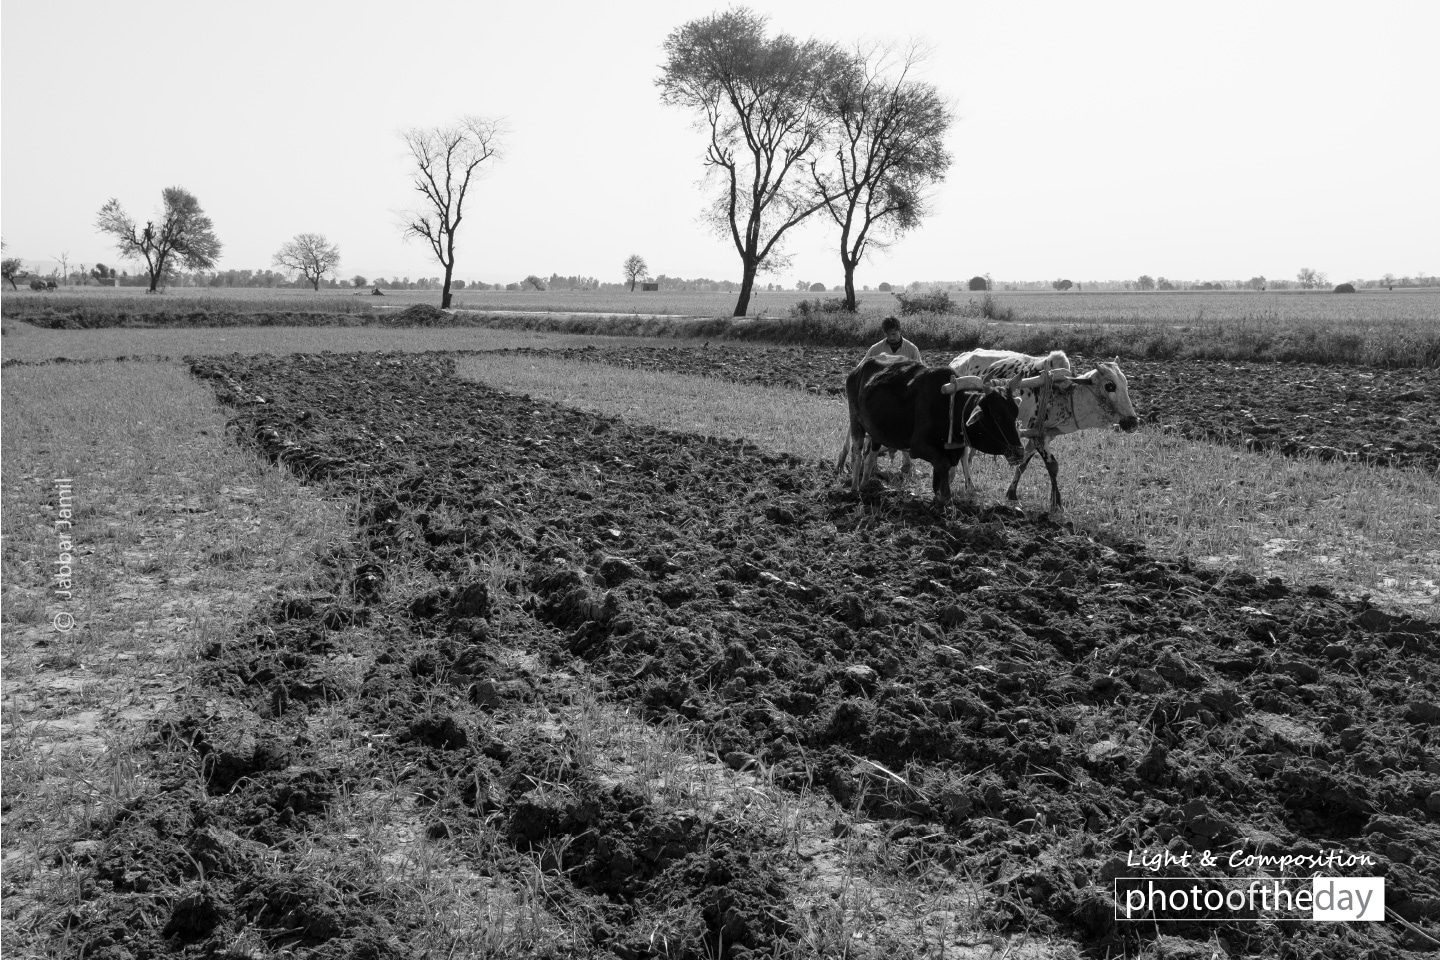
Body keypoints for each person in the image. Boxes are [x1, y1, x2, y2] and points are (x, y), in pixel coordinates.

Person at [860, 316, 920, 479]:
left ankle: (907, 464)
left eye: (895, 333)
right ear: (885, 333)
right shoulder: (876, 349)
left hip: (903, 398)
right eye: (889, 334)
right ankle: (872, 464)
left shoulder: (911, 349)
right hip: (881, 399)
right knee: (874, 429)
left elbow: (920, 372)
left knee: (905, 430)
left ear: (900, 331)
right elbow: (862, 369)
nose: (892, 336)